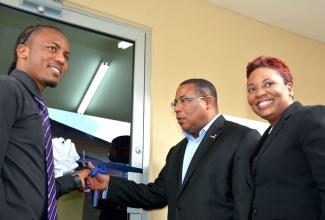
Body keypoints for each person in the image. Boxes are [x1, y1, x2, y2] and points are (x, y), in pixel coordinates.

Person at [86, 78, 261, 220]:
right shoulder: (177, 151)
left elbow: (245, 203)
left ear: (208, 101)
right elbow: (157, 195)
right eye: (175, 103)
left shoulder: (241, 138)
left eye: (184, 101)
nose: (177, 108)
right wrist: (109, 183)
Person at [0, 25, 91, 220]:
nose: (61, 59)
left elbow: (35, 191)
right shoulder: (8, 89)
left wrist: (75, 179)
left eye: (66, 56)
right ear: (22, 51)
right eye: (52, 48)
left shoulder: (36, 108)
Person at [246, 56, 325, 220]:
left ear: (289, 89)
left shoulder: (309, 117)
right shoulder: (268, 136)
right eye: (252, 89)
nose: (260, 93)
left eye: (269, 84)